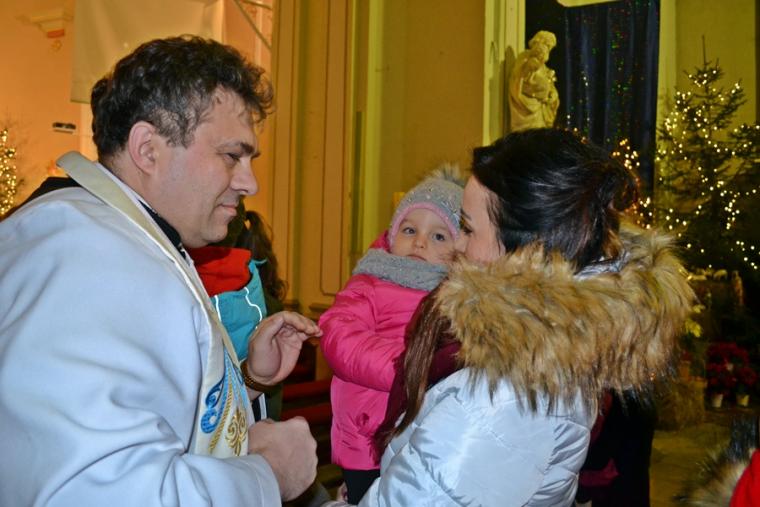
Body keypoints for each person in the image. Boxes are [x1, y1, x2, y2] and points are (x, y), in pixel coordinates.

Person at [0, 36, 321, 506]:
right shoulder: (92, 264)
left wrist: (248, 381)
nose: (249, 182)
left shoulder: (118, 236)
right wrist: (269, 474)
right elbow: (101, 493)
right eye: (231, 156)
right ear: (148, 149)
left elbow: (153, 413)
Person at [321, 127, 695, 506]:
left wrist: (302, 488)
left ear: (524, 250)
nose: (458, 243)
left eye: (468, 228)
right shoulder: (538, 350)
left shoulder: (503, 395)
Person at [319, 167, 464, 503]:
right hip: (366, 439)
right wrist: (410, 369)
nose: (420, 242)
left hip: (427, 435)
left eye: (439, 236)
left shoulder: (456, 296)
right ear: (391, 234)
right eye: (409, 230)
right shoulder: (371, 281)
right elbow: (339, 336)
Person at [509, 30, 560, 131]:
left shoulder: (543, 67)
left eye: (550, 47)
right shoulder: (526, 59)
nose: (548, 49)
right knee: (528, 135)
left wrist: (553, 95)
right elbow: (520, 80)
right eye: (547, 45)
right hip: (528, 109)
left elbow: (549, 86)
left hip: (540, 111)